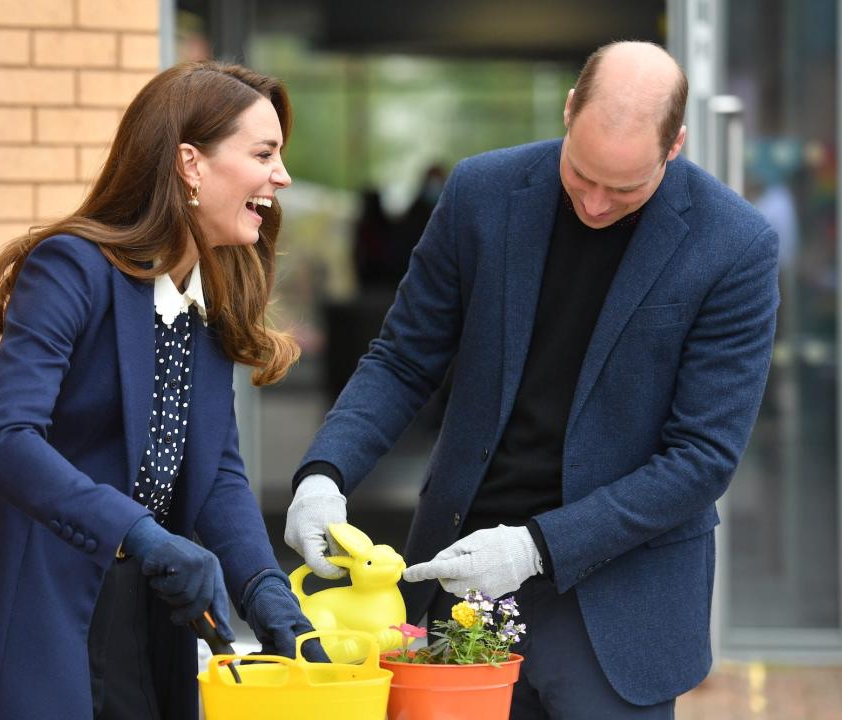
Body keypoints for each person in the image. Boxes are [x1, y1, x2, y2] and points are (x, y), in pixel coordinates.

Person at [285, 41, 779, 719]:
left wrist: (535, 546)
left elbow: (701, 458)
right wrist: (324, 473)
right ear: (569, 110)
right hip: (460, 573)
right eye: (582, 173)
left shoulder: (736, 246)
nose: (598, 204)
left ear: (676, 146)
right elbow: (404, 358)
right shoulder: (480, 194)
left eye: (626, 187)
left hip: (619, 603)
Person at [0, 61, 325, 720]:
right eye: (264, 154)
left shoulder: (209, 298)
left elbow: (218, 470)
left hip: (149, 623)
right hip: (37, 608)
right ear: (190, 165)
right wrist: (142, 534)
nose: (280, 176)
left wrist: (264, 589)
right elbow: (5, 441)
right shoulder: (70, 267)